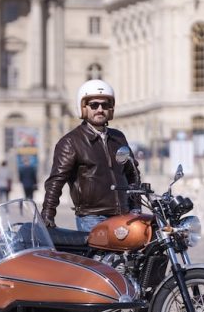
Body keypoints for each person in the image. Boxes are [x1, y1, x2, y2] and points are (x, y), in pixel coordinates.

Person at [41, 79, 140, 232]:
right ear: (83, 108)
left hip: (124, 214)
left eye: (105, 105)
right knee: (99, 257)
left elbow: (132, 173)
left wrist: (136, 207)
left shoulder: (118, 137)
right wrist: (48, 213)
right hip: (92, 217)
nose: (100, 109)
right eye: (94, 105)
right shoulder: (71, 142)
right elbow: (56, 180)